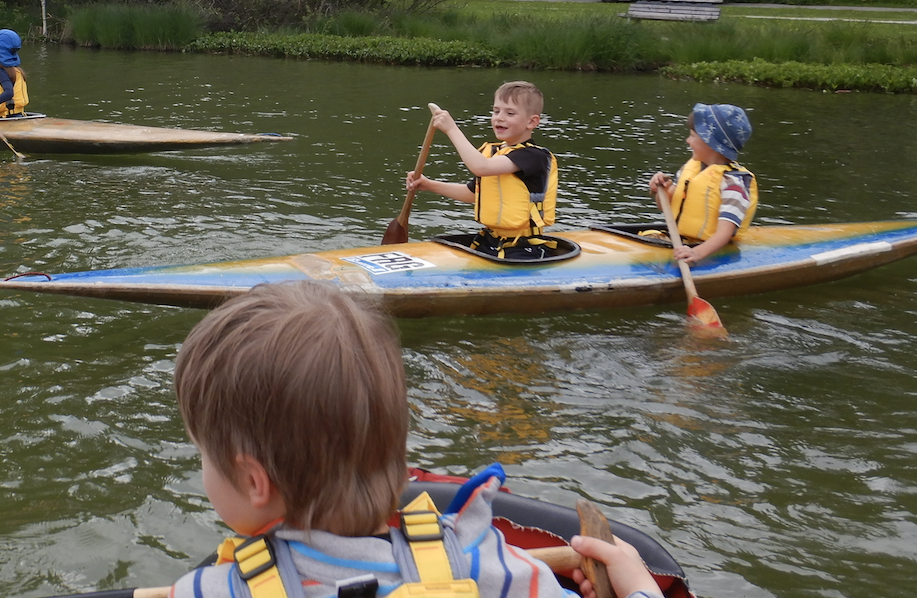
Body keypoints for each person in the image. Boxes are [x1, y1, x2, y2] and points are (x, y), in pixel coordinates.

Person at [168, 280, 664, 598]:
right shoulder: (479, 557)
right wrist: (641, 590)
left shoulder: (214, 589)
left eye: (204, 454)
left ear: (255, 481)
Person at [406, 81, 558, 260]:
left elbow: (480, 167)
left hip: (524, 247)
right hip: (490, 240)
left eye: (510, 113)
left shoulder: (533, 156)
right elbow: (473, 194)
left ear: (532, 122)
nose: (499, 117)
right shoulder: (497, 153)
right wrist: (429, 185)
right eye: (496, 111)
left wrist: (451, 129)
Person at [648, 102, 758, 264]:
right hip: (679, 240)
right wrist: (661, 191)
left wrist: (697, 253)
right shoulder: (693, 167)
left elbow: (725, 232)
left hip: (706, 249)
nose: (687, 140)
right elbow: (665, 207)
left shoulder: (733, 183)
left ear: (711, 143)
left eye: (692, 136)